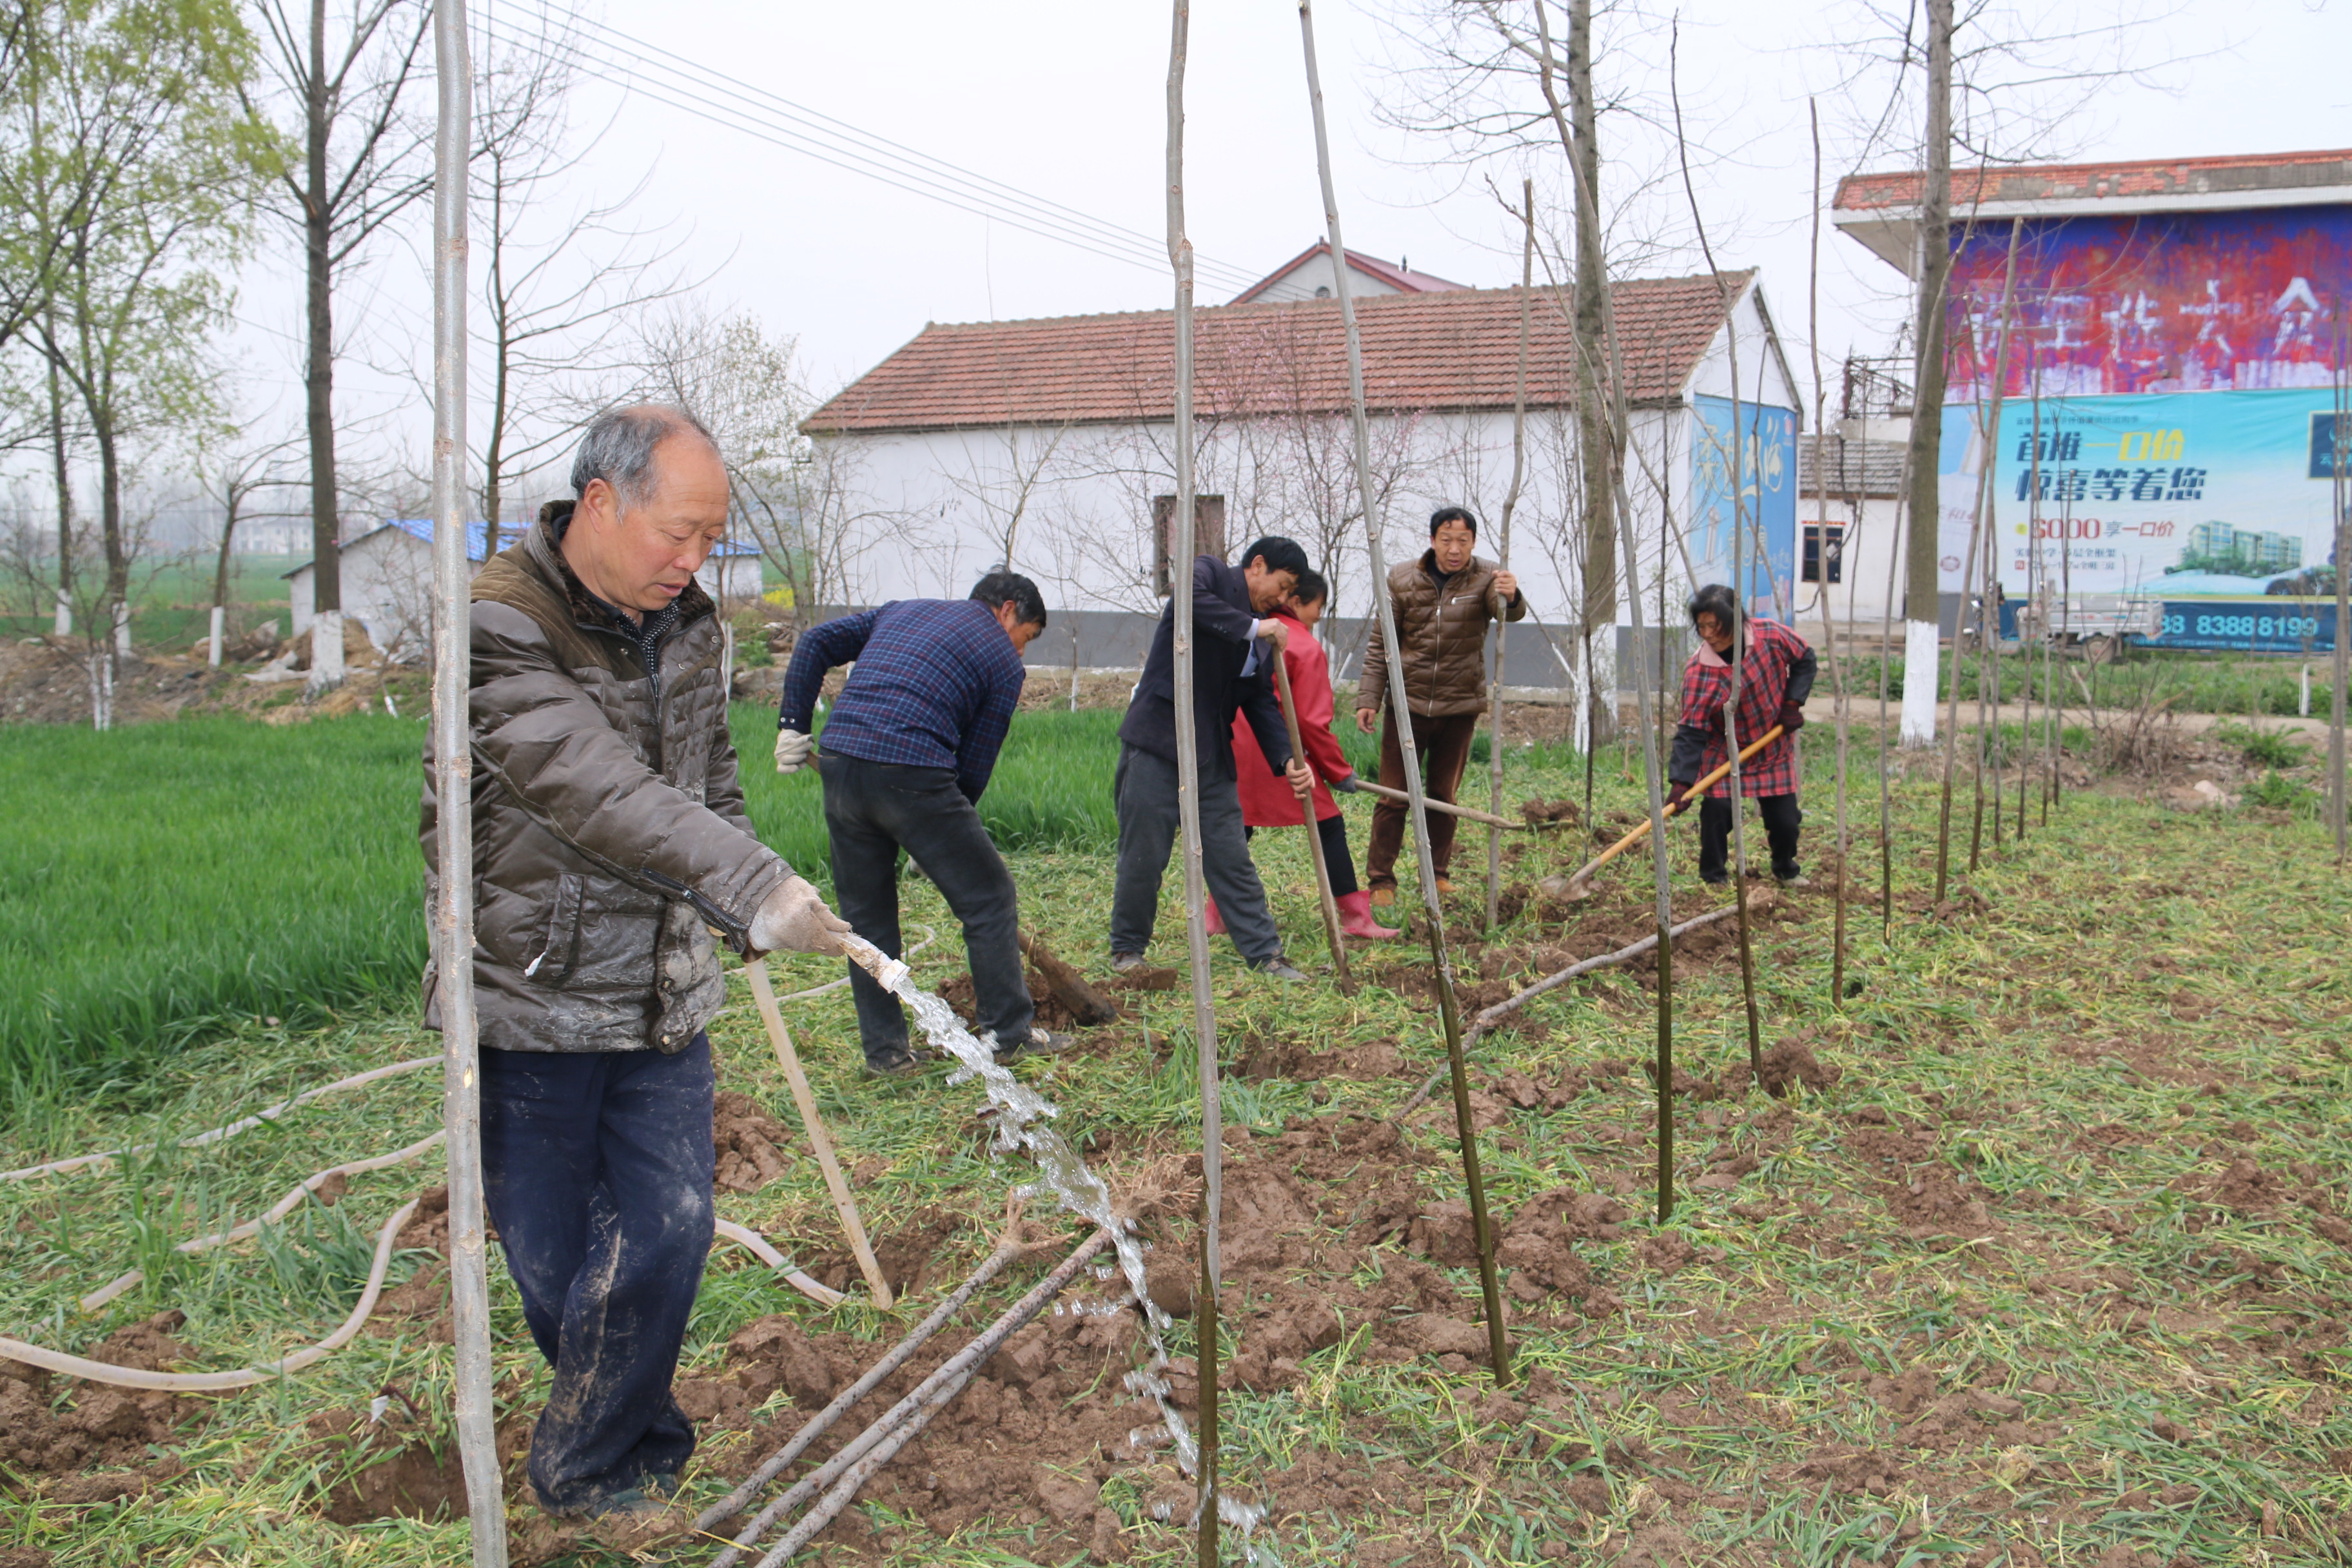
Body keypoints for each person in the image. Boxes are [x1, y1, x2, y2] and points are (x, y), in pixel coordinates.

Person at [420, 406, 852, 1520]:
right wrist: (755, 885)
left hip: (661, 988)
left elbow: (706, 783)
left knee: (668, 1230)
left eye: (711, 538)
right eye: (680, 532)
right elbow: (593, 788)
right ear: (601, 504)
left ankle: (590, 1469)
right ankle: (630, 1440)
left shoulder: (689, 624)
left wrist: (736, 901)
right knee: (558, 1268)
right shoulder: (495, 627)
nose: (694, 560)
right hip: (532, 992)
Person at [772, 572, 1072, 1073]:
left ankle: (887, 1055)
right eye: (1029, 636)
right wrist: (942, 842)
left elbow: (816, 641)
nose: (1021, 651)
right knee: (989, 898)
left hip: (842, 763)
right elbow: (974, 766)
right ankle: (1009, 1035)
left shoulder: (902, 609)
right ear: (1009, 611)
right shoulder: (1000, 659)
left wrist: (793, 723)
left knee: (865, 919)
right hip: (911, 772)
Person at [1110, 536, 1317, 978]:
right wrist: (1252, 628)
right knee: (1144, 852)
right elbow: (1186, 602)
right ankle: (1128, 950)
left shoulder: (1263, 630)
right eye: (1282, 586)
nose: (1282, 600)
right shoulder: (1210, 577)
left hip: (1211, 755)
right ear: (1258, 565)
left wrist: (1287, 760)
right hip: (1157, 741)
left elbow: (1260, 702)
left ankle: (1265, 954)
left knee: (1230, 854)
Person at [1355, 505, 1526, 906]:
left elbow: (1508, 614)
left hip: (1458, 706)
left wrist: (1512, 594)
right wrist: (1369, 698)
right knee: (1393, 795)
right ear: (1432, 541)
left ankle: (1438, 873)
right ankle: (1382, 880)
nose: (1454, 549)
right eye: (1446, 540)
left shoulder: (1487, 577)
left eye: (1463, 541)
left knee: (1444, 796)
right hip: (1406, 704)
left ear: (1473, 543)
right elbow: (1382, 643)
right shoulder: (1401, 578)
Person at [1222, 569, 1397, 940]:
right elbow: (1311, 723)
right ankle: (1354, 917)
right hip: (1283, 755)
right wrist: (1338, 771)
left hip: (1238, 749)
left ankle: (1217, 914)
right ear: (1297, 602)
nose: (1320, 615)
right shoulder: (1303, 646)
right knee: (1329, 823)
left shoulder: (1254, 633)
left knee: (1237, 829)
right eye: (1319, 606)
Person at [1666, 582, 1818, 886]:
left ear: (1736, 622)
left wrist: (1792, 704)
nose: (1708, 634)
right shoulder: (1699, 671)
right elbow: (1691, 732)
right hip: (1724, 750)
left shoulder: (1771, 637)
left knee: (1785, 820)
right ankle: (1714, 877)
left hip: (1771, 743)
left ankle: (1785, 868)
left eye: (1716, 626)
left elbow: (1806, 659)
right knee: (1717, 812)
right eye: (1702, 627)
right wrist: (1681, 783)